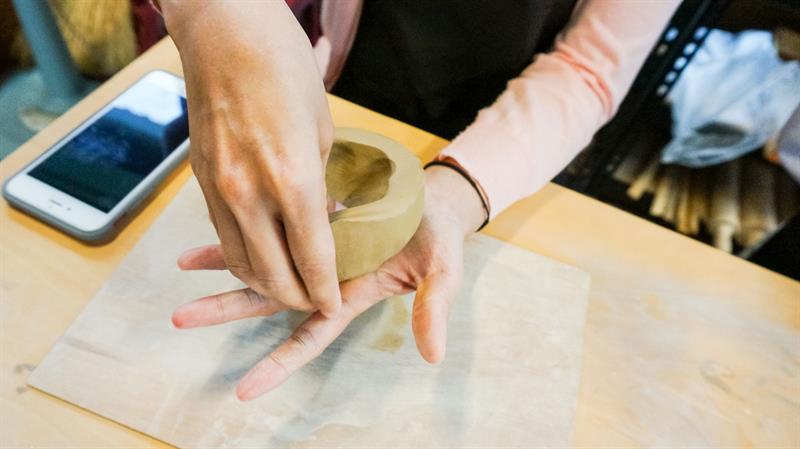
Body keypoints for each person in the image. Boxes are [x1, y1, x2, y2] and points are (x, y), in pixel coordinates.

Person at [156, 0, 679, 401]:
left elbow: (589, 68)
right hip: (340, 79)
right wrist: (212, 13)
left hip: (505, 135)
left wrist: (459, 193)